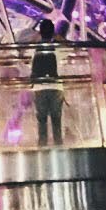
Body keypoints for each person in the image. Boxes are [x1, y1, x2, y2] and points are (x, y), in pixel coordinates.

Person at [27, 17, 64, 147]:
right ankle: (58, 146)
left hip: (39, 87)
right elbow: (71, 49)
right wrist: (59, 38)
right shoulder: (57, 48)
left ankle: (42, 146)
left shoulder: (34, 48)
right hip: (55, 86)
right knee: (56, 119)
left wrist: (34, 38)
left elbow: (24, 54)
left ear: (40, 32)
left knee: (41, 120)